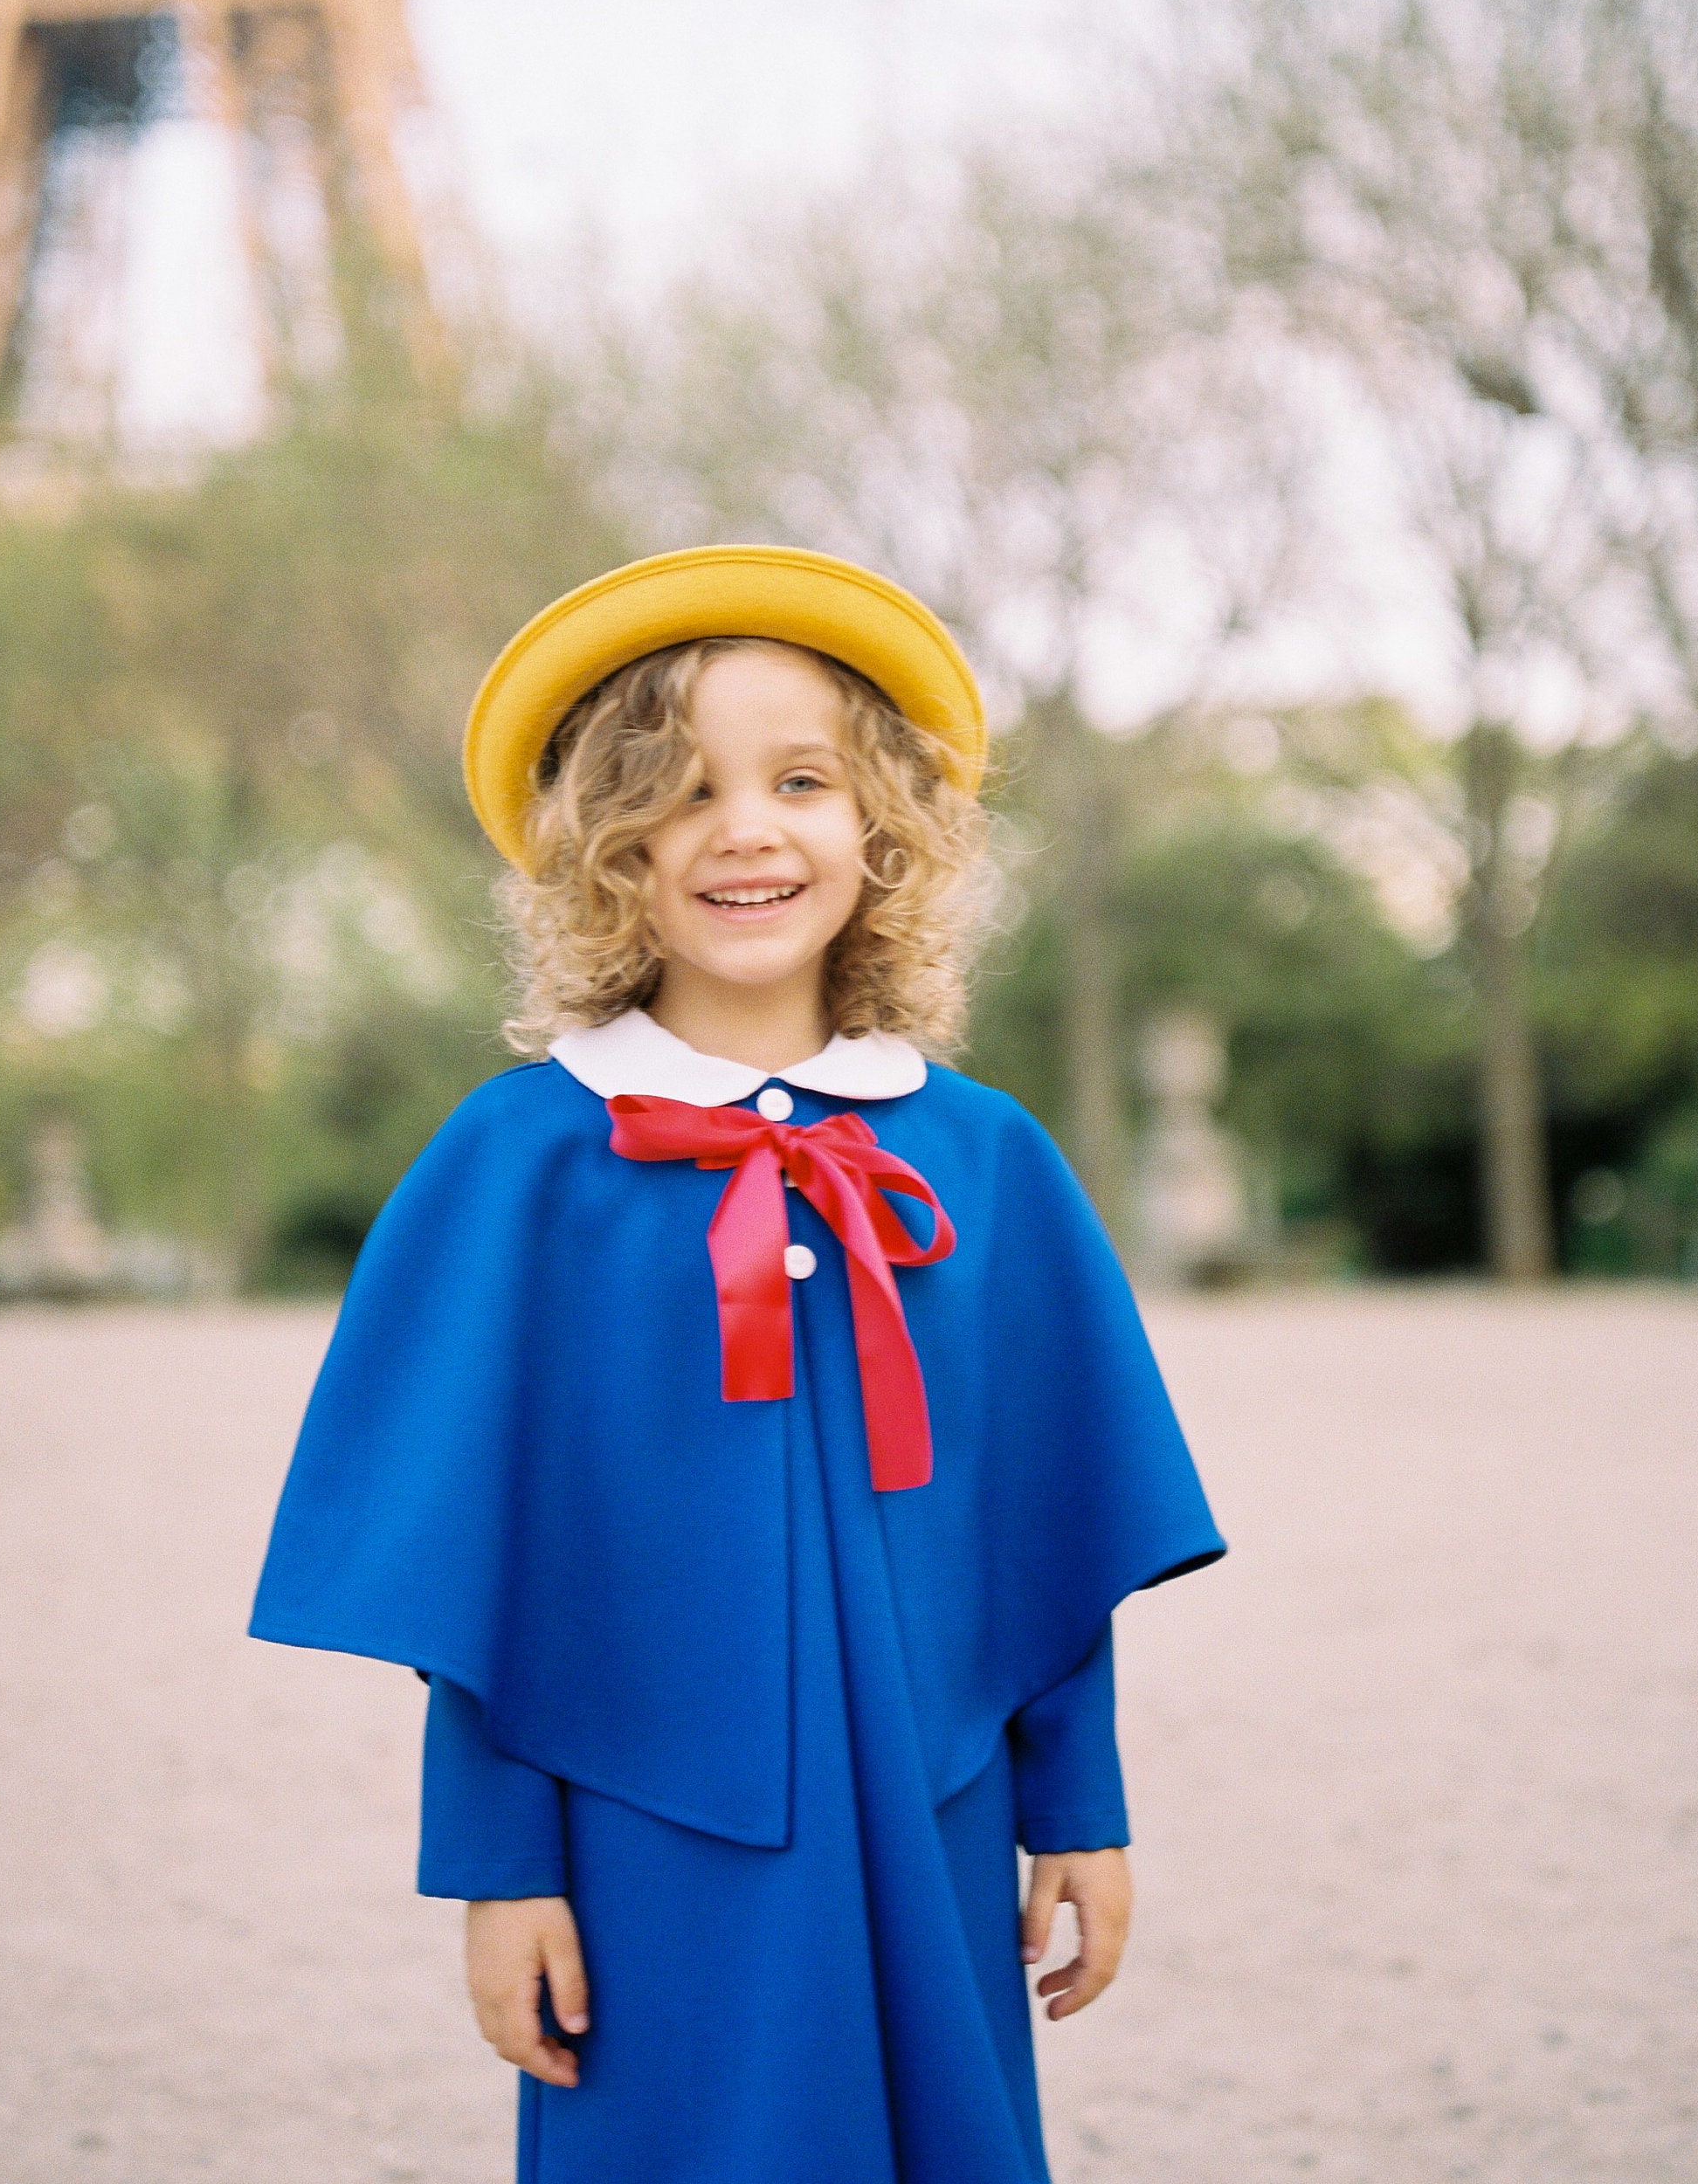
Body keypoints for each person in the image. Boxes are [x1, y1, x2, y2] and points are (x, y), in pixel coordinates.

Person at [251, 545, 1224, 2184]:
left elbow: (1048, 1534)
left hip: (936, 1817)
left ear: (886, 831)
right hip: (645, 1847)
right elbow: (482, 1578)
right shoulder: (522, 1167)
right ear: (604, 854)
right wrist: (499, 1870)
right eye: (682, 793)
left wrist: (1083, 1807)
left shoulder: (981, 1162)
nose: (747, 830)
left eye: (800, 782)